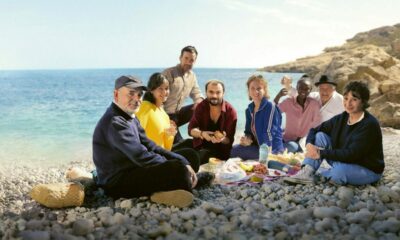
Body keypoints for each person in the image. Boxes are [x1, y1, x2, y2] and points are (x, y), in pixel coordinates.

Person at [92, 75, 213, 208]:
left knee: (189, 157)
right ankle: (178, 186)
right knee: (178, 169)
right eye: (131, 94)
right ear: (116, 94)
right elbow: (141, 156)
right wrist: (177, 165)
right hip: (117, 182)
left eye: (139, 95)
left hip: (134, 167)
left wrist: (182, 161)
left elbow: (150, 145)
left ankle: (174, 185)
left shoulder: (130, 117)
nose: (136, 99)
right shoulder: (115, 122)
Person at [284, 81, 384, 186]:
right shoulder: (342, 117)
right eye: (346, 98)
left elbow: (353, 154)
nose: (348, 103)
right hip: (344, 161)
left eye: (354, 99)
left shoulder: (369, 124)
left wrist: (320, 153)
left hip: (366, 168)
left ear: (363, 102)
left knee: (340, 172)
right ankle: (307, 172)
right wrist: (309, 144)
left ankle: (324, 175)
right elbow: (314, 130)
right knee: (320, 136)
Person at [230, 75, 284, 160]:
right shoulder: (249, 110)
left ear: (265, 90)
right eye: (252, 88)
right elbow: (248, 131)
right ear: (248, 91)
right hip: (257, 146)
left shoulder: (270, 106)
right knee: (231, 150)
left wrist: (265, 155)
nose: (256, 91)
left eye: (259, 88)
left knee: (233, 152)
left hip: (271, 149)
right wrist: (247, 139)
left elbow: (269, 133)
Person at [188, 80, 237, 162]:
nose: (214, 95)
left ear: (223, 93)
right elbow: (191, 130)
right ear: (206, 92)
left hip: (221, 152)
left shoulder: (231, 112)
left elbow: (229, 140)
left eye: (218, 92)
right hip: (201, 146)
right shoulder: (201, 107)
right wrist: (202, 134)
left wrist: (223, 139)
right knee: (180, 151)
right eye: (211, 92)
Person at [163, 46, 204, 143]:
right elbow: (157, 97)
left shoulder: (192, 76)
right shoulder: (168, 73)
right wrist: (162, 118)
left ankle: (201, 136)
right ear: (180, 58)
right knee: (181, 144)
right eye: (186, 58)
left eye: (192, 60)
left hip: (178, 113)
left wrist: (199, 102)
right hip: (165, 115)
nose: (189, 62)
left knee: (204, 106)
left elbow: (197, 93)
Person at [274, 76, 321, 152]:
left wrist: (308, 140)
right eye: (301, 88)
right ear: (297, 88)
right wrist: (278, 96)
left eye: (306, 89)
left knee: (293, 147)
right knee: (292, 146)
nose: (303, 91)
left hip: (303, 142)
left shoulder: (314, 104)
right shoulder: (289, 102)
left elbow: (317, 124)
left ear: (310, 90)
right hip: (287, 139)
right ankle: (276, 148)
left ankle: (277, 149)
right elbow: (273, 112)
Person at [136, 73, 177, 151]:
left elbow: (167, 148)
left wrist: (170, 135)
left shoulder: (165, 115)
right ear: (151, 90)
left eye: (166, 88)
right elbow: (136, 138)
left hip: (161, 156)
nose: (164, 92)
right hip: (149, 157)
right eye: (160, 88)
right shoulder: (144, 108)